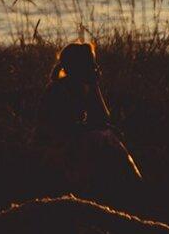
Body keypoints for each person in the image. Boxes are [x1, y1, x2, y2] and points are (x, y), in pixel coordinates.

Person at [39, 42, 141, 197]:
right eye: (91, 65)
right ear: (78, 68)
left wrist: (95, 86)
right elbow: (62, 130)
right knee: (104, 139)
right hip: (54, 149)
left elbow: (102, 118)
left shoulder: (82, 88)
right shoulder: (58, 90)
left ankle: (129, 185)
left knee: (106, 136)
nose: (95, 69)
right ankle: (134, 185)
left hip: (71, 143)